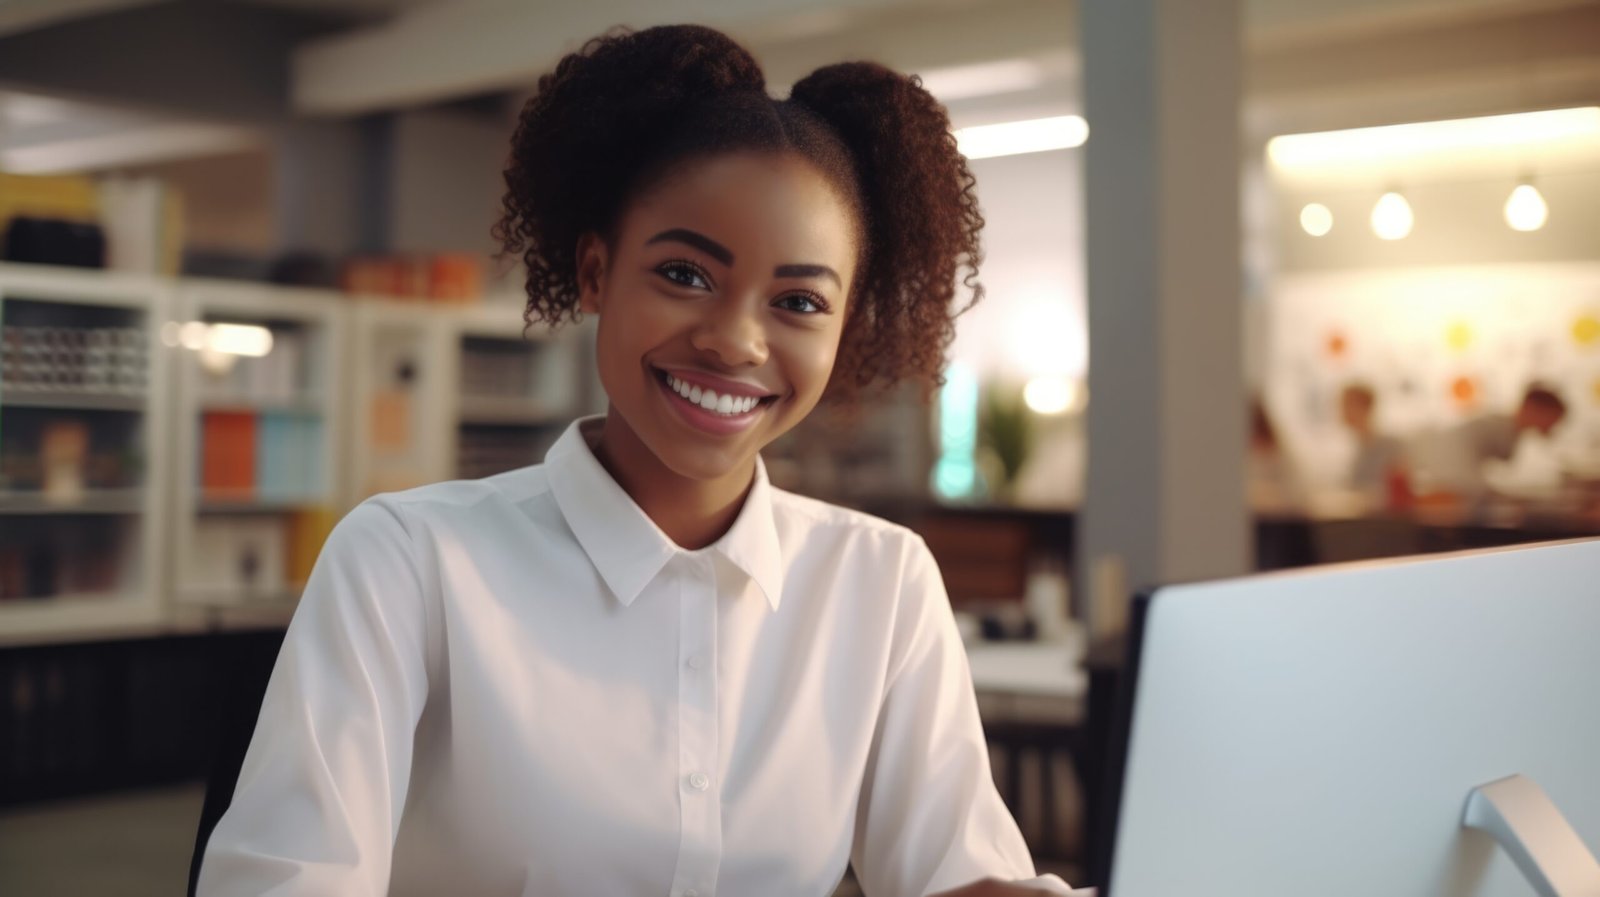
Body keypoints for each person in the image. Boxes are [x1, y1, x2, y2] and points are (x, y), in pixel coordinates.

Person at [197, 25, 1084, 897]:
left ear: (845, 327)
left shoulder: (881, 584)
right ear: (594, 271)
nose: (736, 340)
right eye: (686, 275)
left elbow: (963, 873)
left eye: (799, 300)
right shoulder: (407, 561)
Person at [1338, 382, 1407, 510]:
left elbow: (1399, 492)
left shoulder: (1391, 445)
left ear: (1365, 407)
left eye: (1346, 404)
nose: (1340, 411)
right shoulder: (1356, 448)